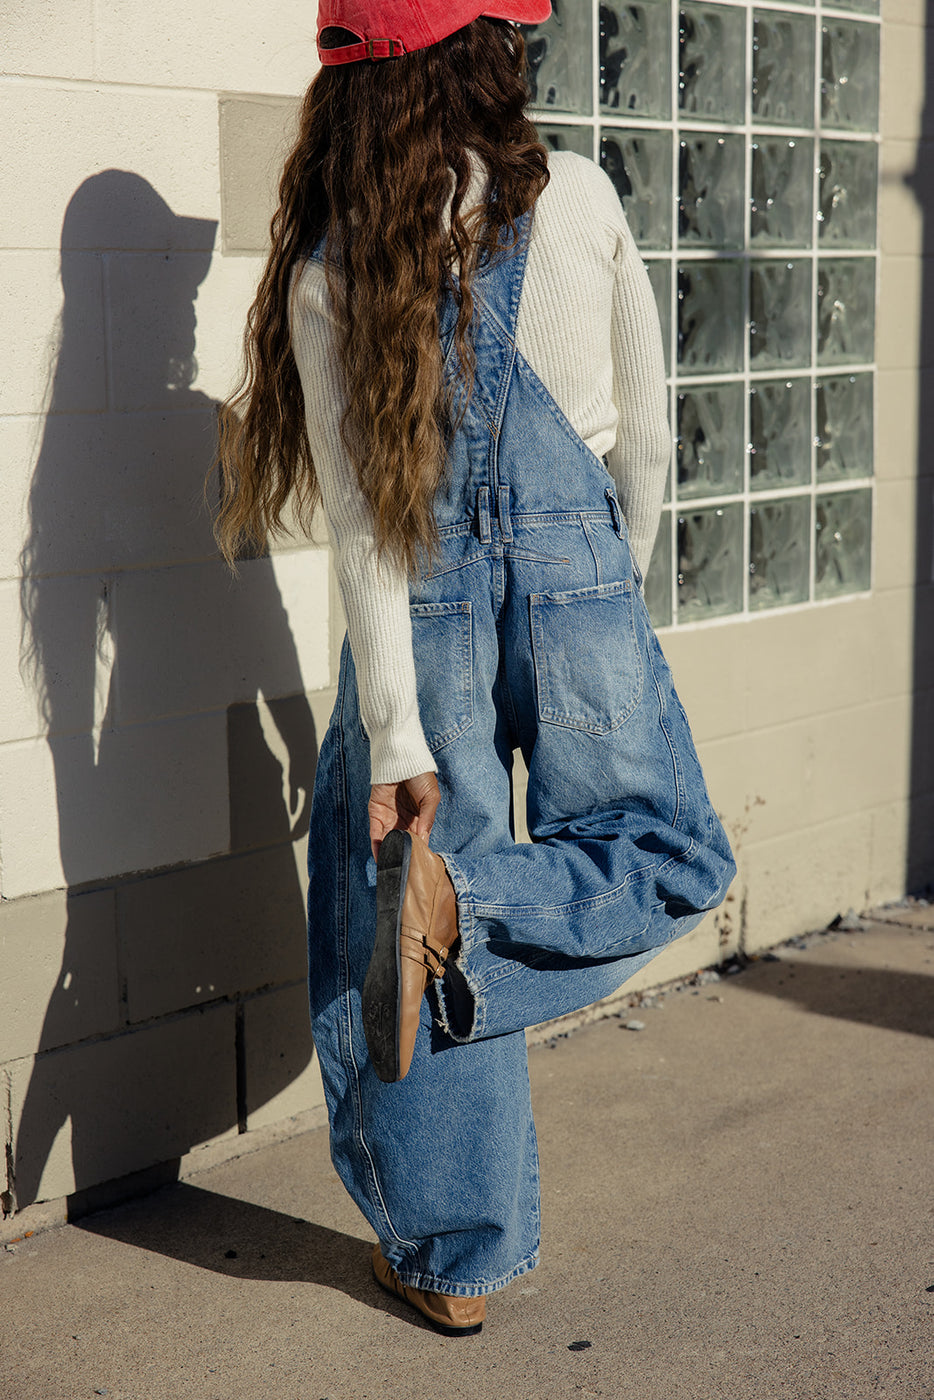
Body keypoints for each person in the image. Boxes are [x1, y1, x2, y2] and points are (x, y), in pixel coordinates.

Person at [217, 0, 735, 1338]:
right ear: (489, 51)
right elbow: (648, 429)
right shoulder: (578, 196)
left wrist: (397, 743)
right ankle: (472, 918)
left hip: (421, 599)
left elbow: (355, 531)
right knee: (672, 854)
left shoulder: (336, 255)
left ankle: (455, 1252)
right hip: (580, 579)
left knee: (398, 881)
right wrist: (603, 578)